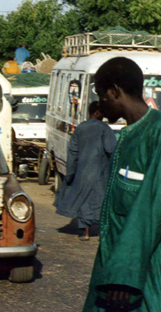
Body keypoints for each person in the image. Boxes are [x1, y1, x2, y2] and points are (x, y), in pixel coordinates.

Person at [83, 57, 161, 311]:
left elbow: (150, 209)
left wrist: (123, 276)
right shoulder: (126, 136)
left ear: (115, 92)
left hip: (138, 275)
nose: (100, 106)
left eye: (101, 96)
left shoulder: (156, 134)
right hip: (113, 268)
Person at [55, 101, 116, 241]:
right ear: (97, 112)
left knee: (83, 200)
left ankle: (84, 232)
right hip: (101, 172)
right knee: (101, 200)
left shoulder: (80, 129)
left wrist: (70, 174)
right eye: (102, 113)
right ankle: (102, 231)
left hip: (82, 172)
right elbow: (111, 149)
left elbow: (72, 153)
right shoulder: (105, 129)